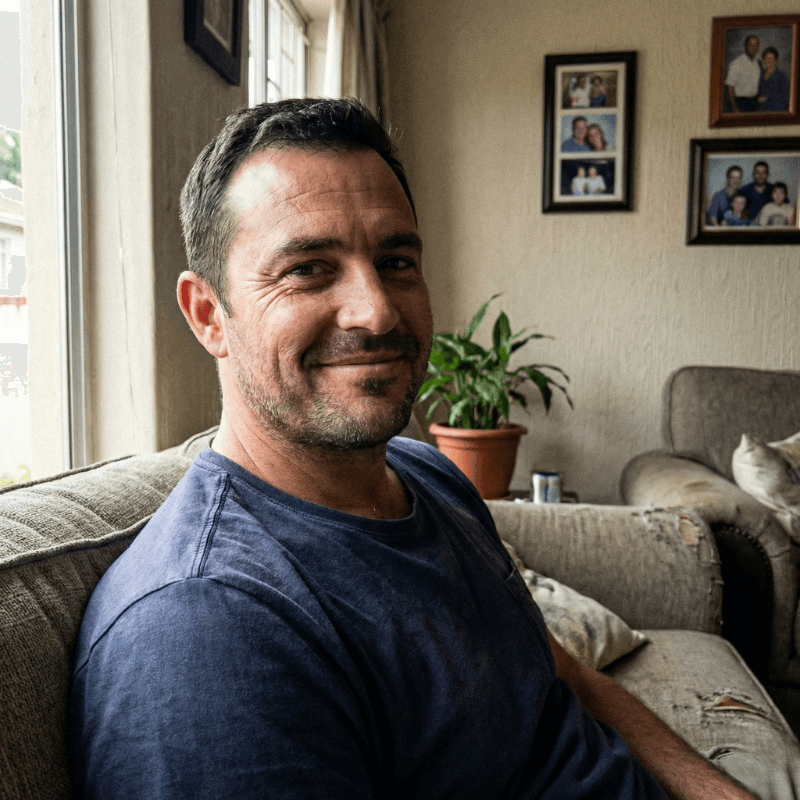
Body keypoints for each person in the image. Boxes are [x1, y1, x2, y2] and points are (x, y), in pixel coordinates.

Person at [67, 98, 758, 800]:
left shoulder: (426, 473)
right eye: (308, 269)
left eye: (396, 260)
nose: (377, 311)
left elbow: (557, 672)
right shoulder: (203, 630)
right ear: (209, 315)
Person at [725, 34, 762, 113]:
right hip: (741, 103)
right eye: (750, 45)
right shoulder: (736, 63)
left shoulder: (758, 63)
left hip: (755, 104)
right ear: (745, 46)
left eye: (756, 45)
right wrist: (734, 109)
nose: (753, 48)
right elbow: (730, 88)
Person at [757, 46, 790, 111]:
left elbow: (784, 100)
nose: (769, 61)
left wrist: (767, 99)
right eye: (767, 58)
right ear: (763, 60)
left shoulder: (782, 77)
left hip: (776, 113)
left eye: (771, 58)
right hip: (759, 112)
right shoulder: (759, 75)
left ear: (776, 60)